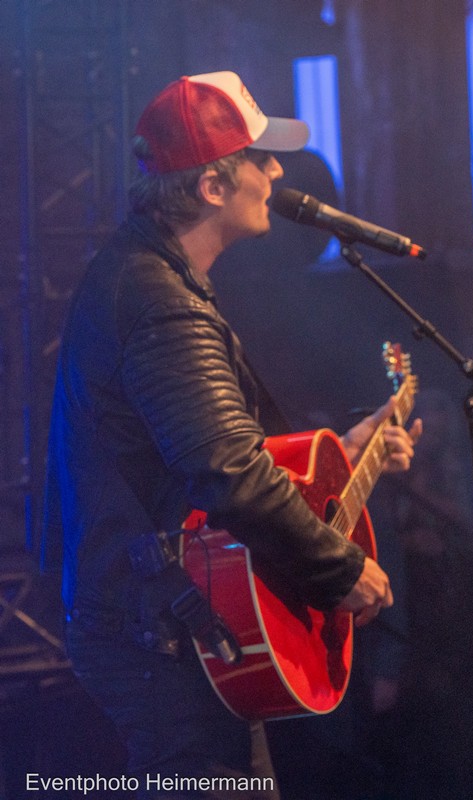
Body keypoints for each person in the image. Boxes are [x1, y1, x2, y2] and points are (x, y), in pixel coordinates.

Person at [42, 71, 421, 798]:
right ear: (213, 186)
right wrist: (339, 569)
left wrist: (342, 453)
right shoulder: (160, 301)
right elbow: (226, 473)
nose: (277, 172)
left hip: (169, 620)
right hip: (158, 632)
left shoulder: (157, 277)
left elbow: (200, 453)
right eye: (261, 158)